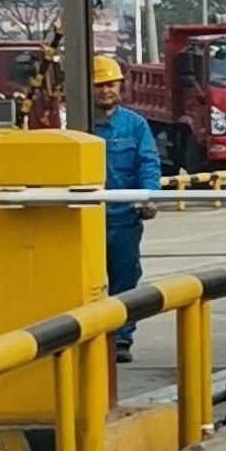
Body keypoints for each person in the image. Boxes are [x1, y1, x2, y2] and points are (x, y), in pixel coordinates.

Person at [91, 55, 162, 358]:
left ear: (120, 86)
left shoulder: (135, 126)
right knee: (85, 284)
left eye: (111, 84)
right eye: (100, 85)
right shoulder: (77, 126)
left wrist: (149, 197)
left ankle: (121, 338)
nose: (106, 90)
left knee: (125, 279)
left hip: (123, 220)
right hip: (84, 220)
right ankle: (89, 334)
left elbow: (148, 163)